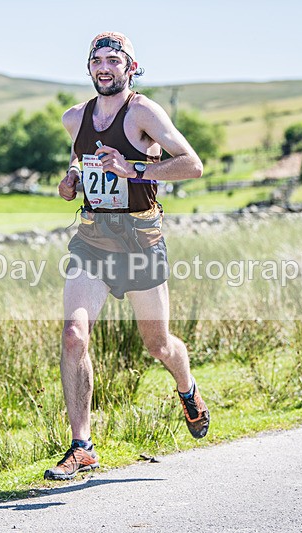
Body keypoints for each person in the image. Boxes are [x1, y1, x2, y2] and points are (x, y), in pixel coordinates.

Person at [44, 31, 209, 481]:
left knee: (158, 345)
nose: (105, 66)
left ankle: (187, 387)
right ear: (89, 68)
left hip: (140, 241)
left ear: (130, 68)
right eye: (97, 60)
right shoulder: (73, 118)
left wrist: (133, 167)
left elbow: (192, 164)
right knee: (74, 335)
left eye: (114, 60)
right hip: (93, 240)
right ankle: (82, 446)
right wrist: (70, 180)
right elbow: (79, 161)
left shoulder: (144, 112)